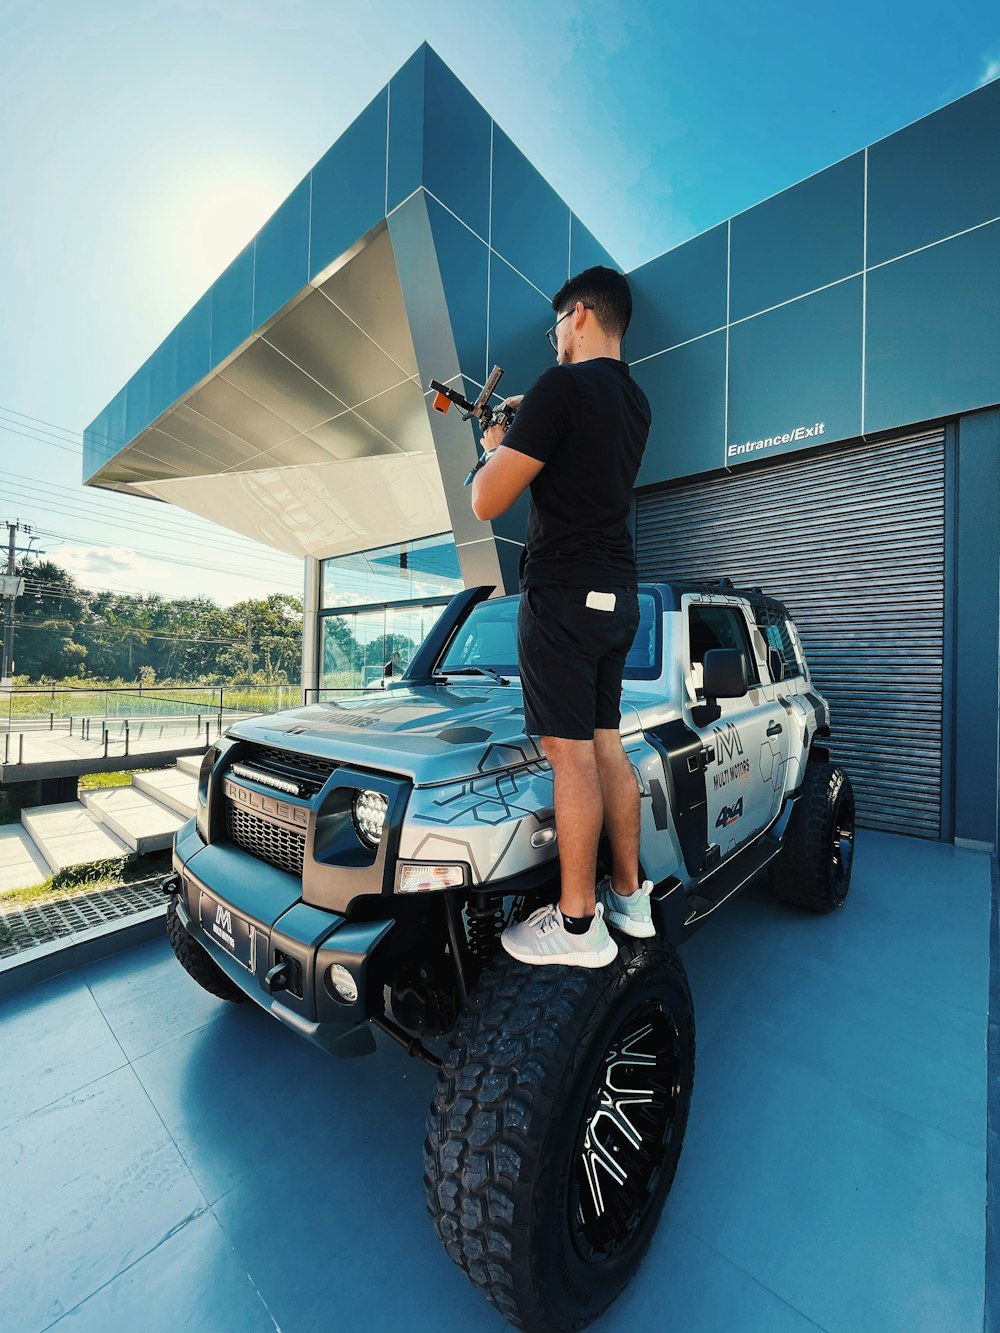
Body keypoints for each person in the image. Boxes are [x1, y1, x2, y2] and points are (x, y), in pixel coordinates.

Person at [470, 266, 653, 968]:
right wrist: (534, 413)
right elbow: (579, 447)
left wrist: (494, 445)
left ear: (578, 314)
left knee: (568, 753)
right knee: (607, 744)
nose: (554, 342)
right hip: (617, 593)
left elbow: (488, 499)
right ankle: (629, 900)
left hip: (563, 593)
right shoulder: (634, 400)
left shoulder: (561, 389)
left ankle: (578, 925)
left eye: (556, 329)